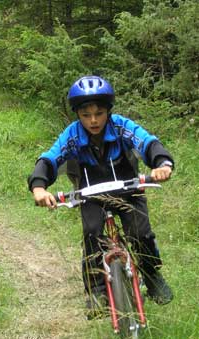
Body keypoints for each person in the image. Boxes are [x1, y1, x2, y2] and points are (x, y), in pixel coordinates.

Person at [27, 75, 174, 316]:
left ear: (108, 110)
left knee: (140, 233)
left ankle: (151, 273)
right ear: (77, 114)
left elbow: (147, 143)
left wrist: (162, 164)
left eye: (99, 113)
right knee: (91, 234)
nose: (93, 120)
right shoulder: (72, 136)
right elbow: (49, 159)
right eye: (86, 115)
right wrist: (39, 187)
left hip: (128, 190)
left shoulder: (121, 127)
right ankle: (96, 291)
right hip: (90, 196)